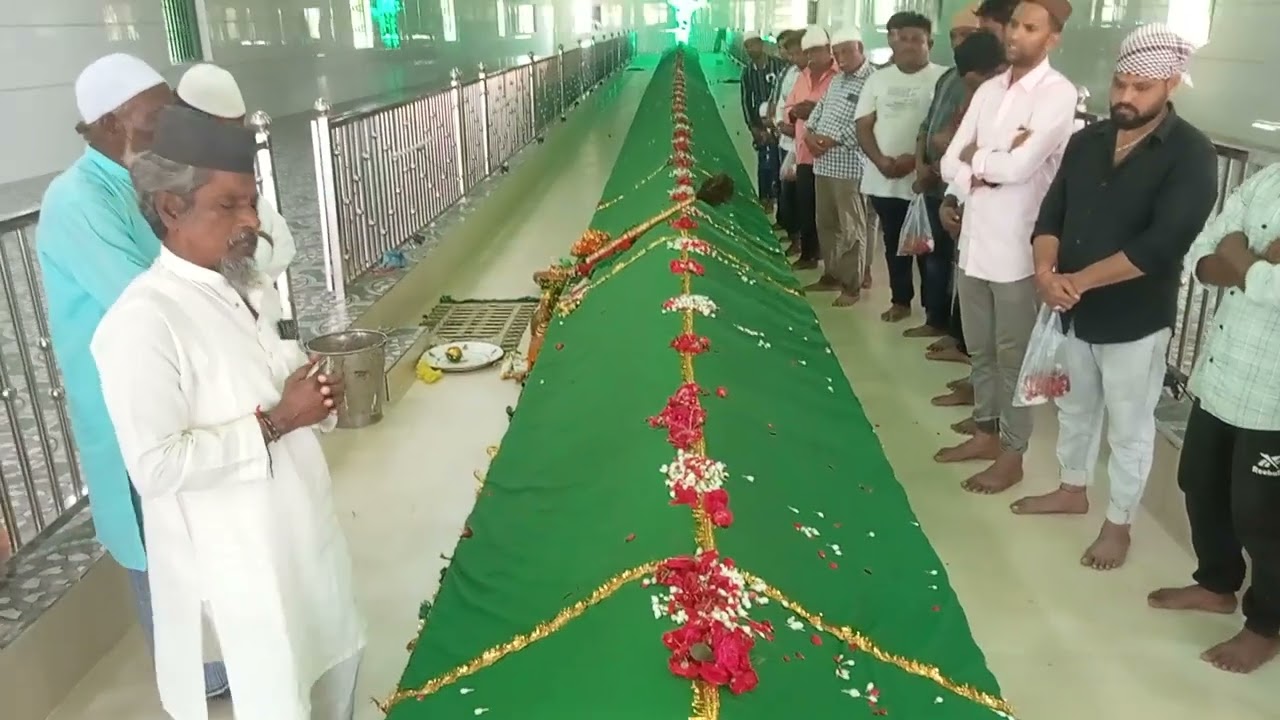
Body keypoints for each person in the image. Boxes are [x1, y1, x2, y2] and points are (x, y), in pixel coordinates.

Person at [92, 106, 366, 719]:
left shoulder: (245, 285)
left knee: (336, 664)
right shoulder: (143, 323)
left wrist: (313, 398)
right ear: (170, 208)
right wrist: (275, 423)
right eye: (229, 205)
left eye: (254, 201)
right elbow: (155, 467)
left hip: (305, 530)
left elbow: (280, 384)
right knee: (279, 692)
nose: (252, 221)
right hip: (245, 562)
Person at [36, 54, 230, 697]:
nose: (169, 117)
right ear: (116, 119)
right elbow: (142, 291)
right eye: (157, 110)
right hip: (122, 398)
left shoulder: (146, 176)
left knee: (194, 524)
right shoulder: (76, 200)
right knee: (152, 543)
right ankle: (184, 679)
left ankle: (222, 656)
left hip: (175, 378)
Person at [1011, 25, 1218, 571]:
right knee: (1074, 407)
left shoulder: (1191, 153)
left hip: (1135, 318)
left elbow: (1162, 244)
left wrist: (1073, 282)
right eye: (1119, 83)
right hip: (1071, 311)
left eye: (1141, 88)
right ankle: (1071, 487)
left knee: (1129, 425)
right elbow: (1051, 213)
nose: (1126, 97)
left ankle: (1119, 521)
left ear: (1171, 84)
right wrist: (1043, 270)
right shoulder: (1088, 141)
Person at [935, 0, 1077, 494]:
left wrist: (980, 161)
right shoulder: (991, 88)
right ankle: (984, 430)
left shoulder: (1057, 95)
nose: (1016, 34)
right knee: (979, 347)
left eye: (1030, 27)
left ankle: (1013, 453)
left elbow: (1021, 169)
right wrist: (979, 170)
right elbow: (950, 158)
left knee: (1012, 354)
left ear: (1052, 38)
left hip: (1020, 246)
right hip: (973, 238)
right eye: (1014, 24)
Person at [1147, 167, 1280, 673]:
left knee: (1264, 517)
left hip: (1274, 397)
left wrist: (1239, 257)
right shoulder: (1269, 176)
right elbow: (1204, 256)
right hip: (1222, 373)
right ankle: (1216, 583)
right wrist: (1253, 264)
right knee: (1199, 480)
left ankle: (1267, 624)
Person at [854, 12, 947, 323]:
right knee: (894, 243)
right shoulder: (878, 79)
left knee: (930, 250)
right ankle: (900, 301)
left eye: (916, 39)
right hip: (884, 180)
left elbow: (952, 127)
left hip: (928, 182)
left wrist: (916, 162)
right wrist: (882, 161)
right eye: (902, 38)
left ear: (929, 43)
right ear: (892, 41)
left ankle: (935, 314)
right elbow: (864, 125)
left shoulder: (944, 78)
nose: (908, 45)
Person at [176, 63, 297, 281]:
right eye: (224, 132)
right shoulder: (163, 177)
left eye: (236, 131)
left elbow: (282, 245)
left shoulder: (233, 178)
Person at [907, 5, 982, 347]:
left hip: (960, 188)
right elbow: (928, 125)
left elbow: (970, 142)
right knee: (932, 257)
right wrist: (922, 164)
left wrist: (938, 166)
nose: (959, 41)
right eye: (954, 35)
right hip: (934, 185)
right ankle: (934, 319)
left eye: (967, 34)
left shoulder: (983, 81)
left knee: (959, 267)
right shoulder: (949, 77)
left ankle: (958, 338)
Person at [802, 27, 875, 307]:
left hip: (850, 168)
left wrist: (833, 140)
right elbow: (818, 112)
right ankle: (831, 274)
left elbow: (868, 122)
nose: (841, 58)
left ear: (860, 48)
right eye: (837, 53)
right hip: (823, 165)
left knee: (851, 228)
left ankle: (852, 285)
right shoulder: (837, 81)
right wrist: (810, 136)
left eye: (847, 51)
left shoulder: (872, 80)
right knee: (828, 225)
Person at [783, 27, 838, 271]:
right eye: (809, 52)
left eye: (817, 51)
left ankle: (833, 264)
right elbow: (789, 107)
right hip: (805, 153)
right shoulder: (802, 76)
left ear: (828, 51)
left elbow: (840, 112)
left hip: (830, 157)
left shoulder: (838, 77)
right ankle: (808, 254)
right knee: (806, 206)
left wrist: (813, 109)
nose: (812, 57)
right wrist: (795, 113)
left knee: (828, 215)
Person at [739, 32, 788, 215]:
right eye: (748, 47)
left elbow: (784, 96)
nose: (752, 49)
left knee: (778, 163)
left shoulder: (779, 66)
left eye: (754, 45)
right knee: (764, 163)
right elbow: (745, 101)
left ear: (761, 44)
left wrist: (776, 123)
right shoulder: (747, 72)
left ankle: (779, 201)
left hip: (779, 125)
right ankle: (764, 198)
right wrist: (753, 128)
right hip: (760, 127)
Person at [770, 30, 806, 255]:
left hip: (800, 144)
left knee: (798, 196)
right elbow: (784, 101)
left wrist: (792, 127)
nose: (792, 58)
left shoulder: (810, 77)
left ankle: (801, 243)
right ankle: (792, 233)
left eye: (795, 53)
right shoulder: (790, 71)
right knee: (787, 191)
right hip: (786, 140)